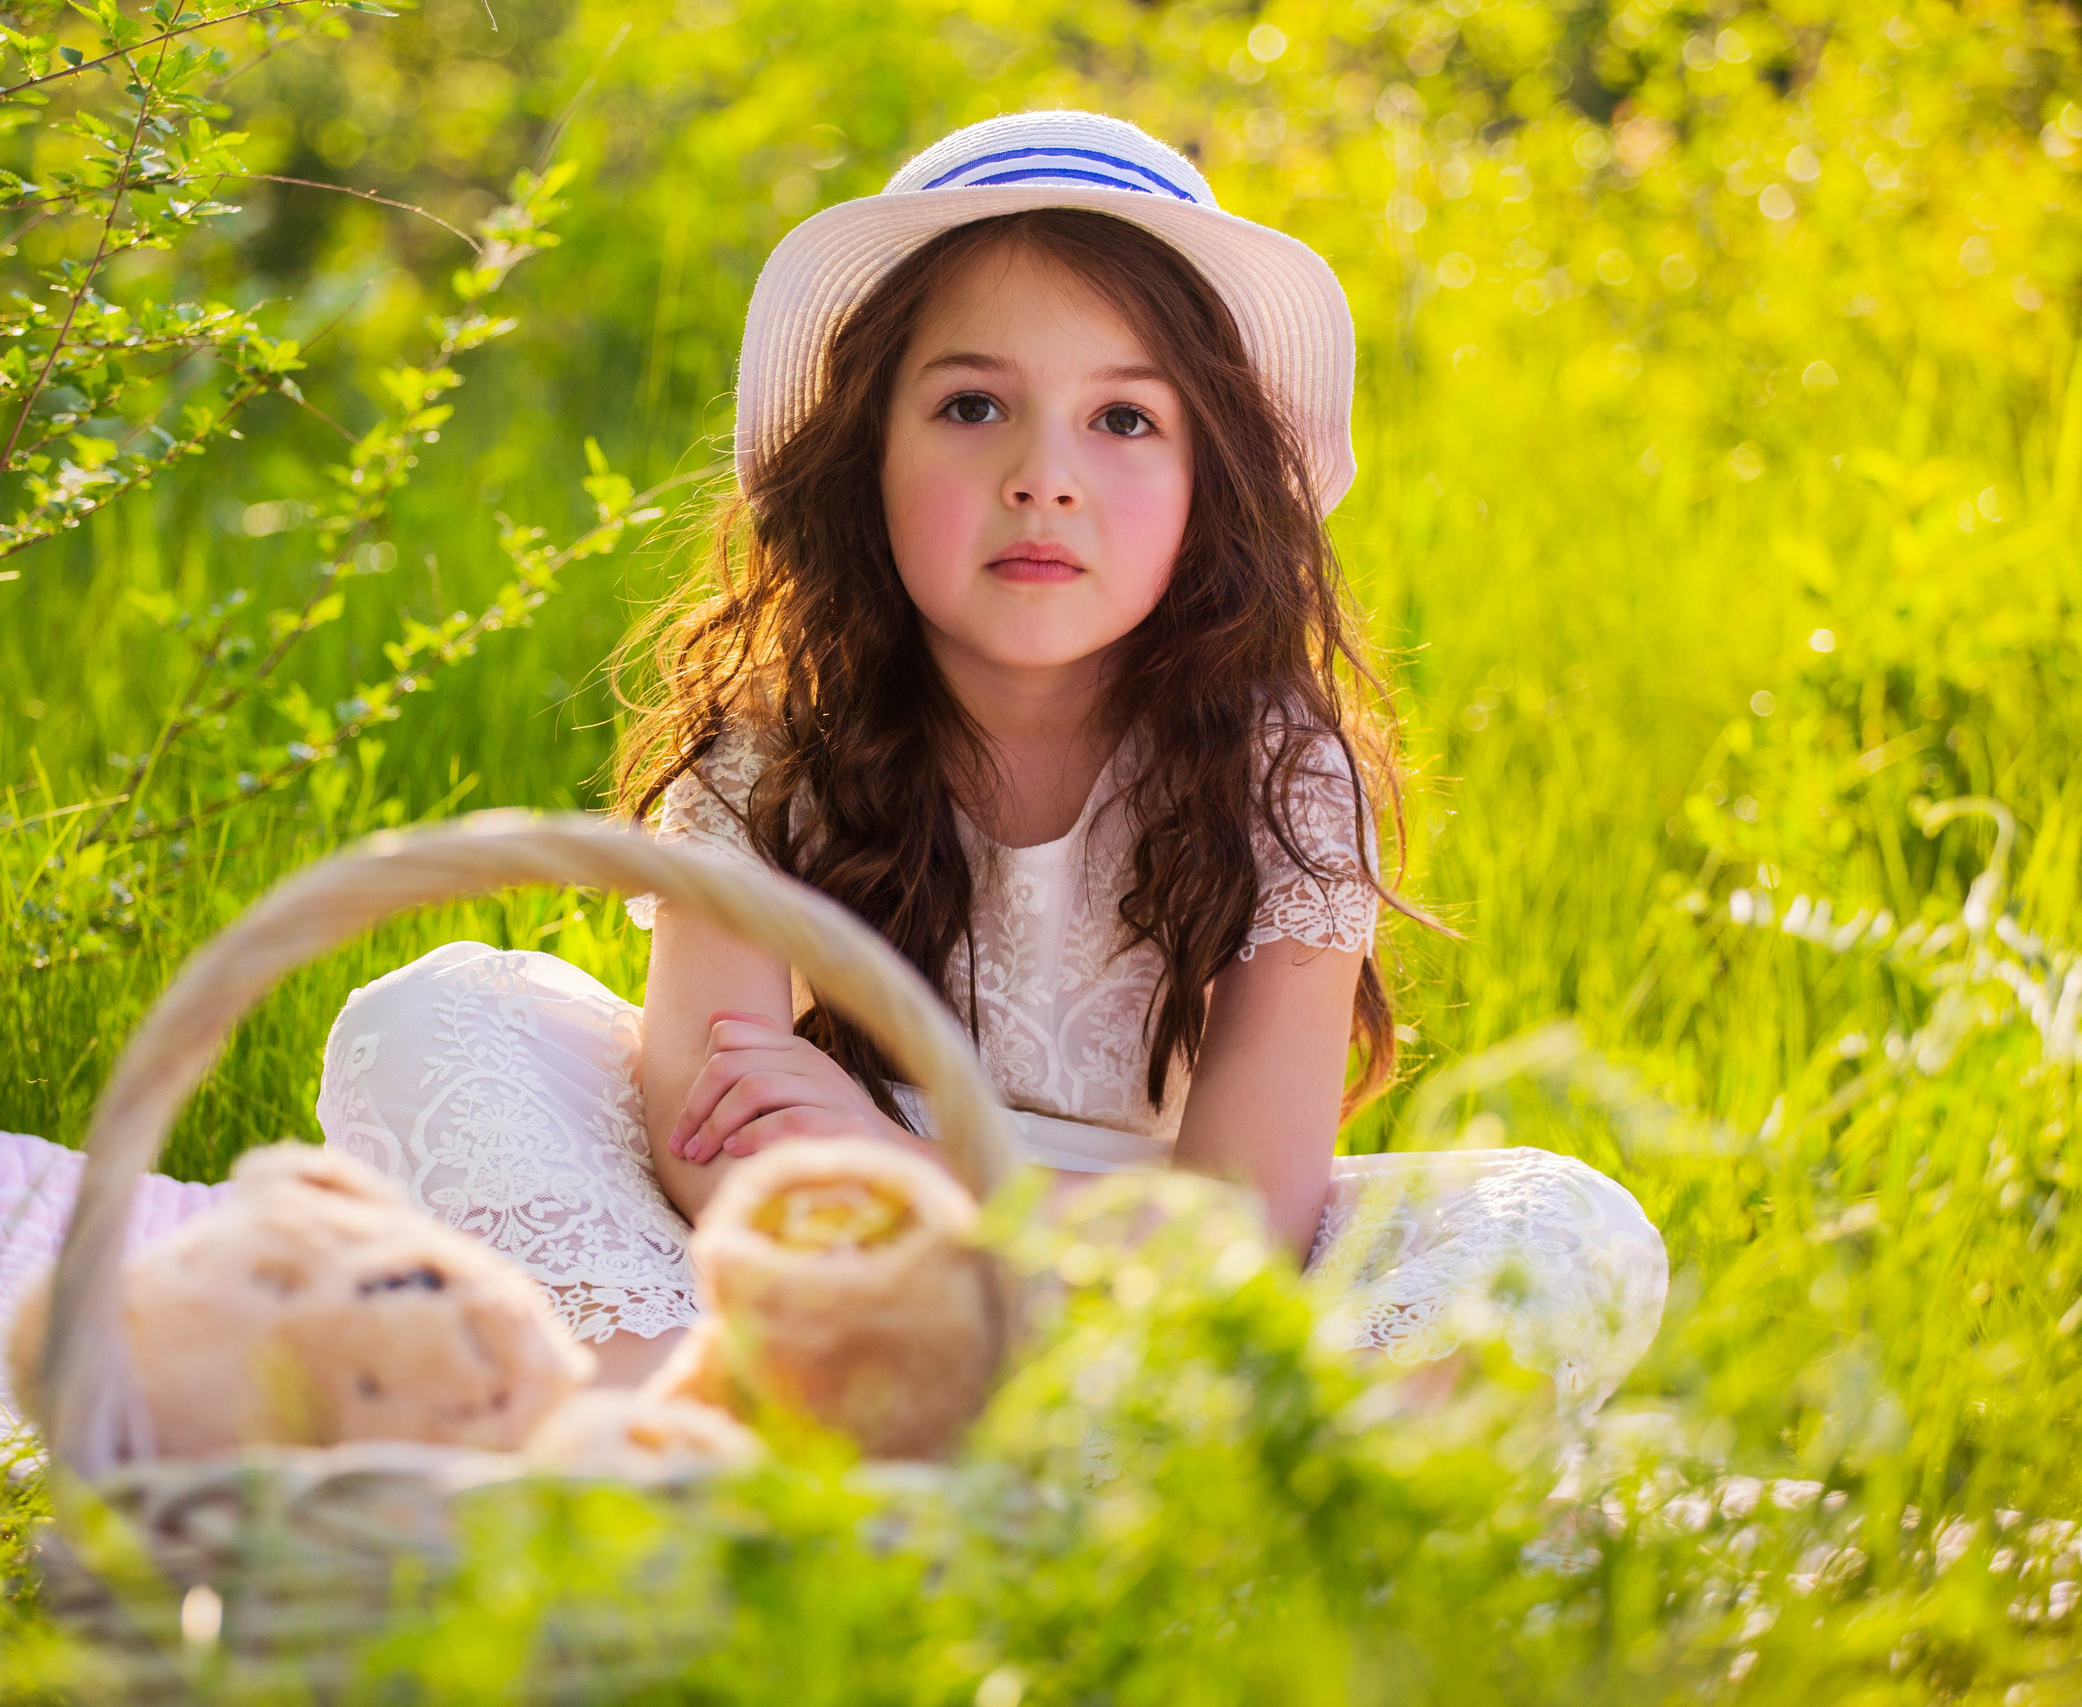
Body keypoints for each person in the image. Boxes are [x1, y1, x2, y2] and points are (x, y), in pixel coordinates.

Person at [314, 111, 1667, 1409]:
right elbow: (703, 1127)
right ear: (867, 458)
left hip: (1129, 1275)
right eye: (972, 407)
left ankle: (894, 1465)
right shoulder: (777, 725)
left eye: (1125, 421)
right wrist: (852, 1191)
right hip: (815, 1253)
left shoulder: (1283, 772)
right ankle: (769, 1444)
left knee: (1558, 1234)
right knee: (435, 1027)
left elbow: (1240, 1239)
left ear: (1213, 490)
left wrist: (916, 1166)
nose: (1044, 477)